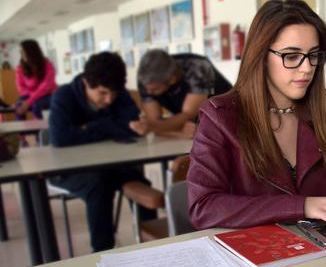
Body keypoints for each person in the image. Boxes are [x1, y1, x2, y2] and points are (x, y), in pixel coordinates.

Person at [187, 0, 326, 229]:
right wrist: (301, 206)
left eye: (313, 55)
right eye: (291, 56)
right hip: (257, 254)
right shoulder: (219, 115)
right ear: (260, 57)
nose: (307, 68)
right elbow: (203, 206)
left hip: (323, 250)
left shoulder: (321, 107)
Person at [48, 52, 156, 252]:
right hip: (68, 171)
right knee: (98, 185)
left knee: (140, 182)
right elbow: (61, 138)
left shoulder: (119, 94)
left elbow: (133, 128)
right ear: (86, 83)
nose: (108, 100)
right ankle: (102, 251)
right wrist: (109, 126)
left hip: (111, 165)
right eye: (102, 93)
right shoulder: (64, 96)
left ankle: (153, 245)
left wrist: (88, 129)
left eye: (113, 94)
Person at [130, 49, 232, 139]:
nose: (149, 93)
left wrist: (152, 127)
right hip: (199, 125)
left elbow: (188, 115)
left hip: (229, 114)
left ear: (172, 80)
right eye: (146, 88)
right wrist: (179, 133)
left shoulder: (197, 67)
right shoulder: (146, 81)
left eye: (154, 89)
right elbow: (156, 124)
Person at [13, 39, 57, 120]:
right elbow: (20, 87)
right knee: (18, 106)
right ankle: (24, 132)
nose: (21, 54)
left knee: (37, 105)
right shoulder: (20, 68)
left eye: (23, 51)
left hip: (47, 95)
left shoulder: (47, 65)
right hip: (29, 95)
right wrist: (29, 99)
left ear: (31, 52)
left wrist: (29, 101)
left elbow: (45, 87)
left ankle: (39, 132)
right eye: (20, 51)